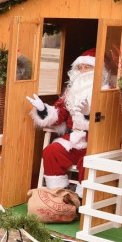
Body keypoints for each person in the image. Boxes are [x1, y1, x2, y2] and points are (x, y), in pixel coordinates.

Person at [26, 49, 97, 193]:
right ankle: (59, 194)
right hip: (72, 140)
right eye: (80, 67)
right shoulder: (71, 92)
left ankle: (82, 200)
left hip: (94, 142)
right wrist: (43, 110)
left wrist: (89, 115)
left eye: (87, 67)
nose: (83, 71)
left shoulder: (105, 93)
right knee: (51, 151)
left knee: (88, 162)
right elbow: (59, 115)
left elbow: (107, 122)